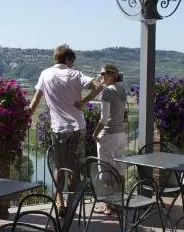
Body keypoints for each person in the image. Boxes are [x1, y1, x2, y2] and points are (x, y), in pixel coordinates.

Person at [30, 45, 101, 214]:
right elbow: (98, 85)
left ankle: (60, 202)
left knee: (58, 166)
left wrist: (26, 118)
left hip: (58, 128)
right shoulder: (75, 74)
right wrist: (85, 101)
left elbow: (34, 101)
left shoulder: (45, 74)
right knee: (75, 168)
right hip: (77, 128)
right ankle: (71, 204)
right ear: (69, 60)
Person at [92, 63, 128, 215]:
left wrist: (94, 134)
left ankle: (107, 206)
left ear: (111, 75)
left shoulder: (107, 92)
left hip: (108, 136)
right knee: (119, 170)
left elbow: (104, 117)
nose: (101, 77)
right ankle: (119, 203)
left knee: (106, 171)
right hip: (121, 135)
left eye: (103, 74)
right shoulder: (122, 90)